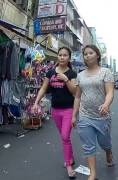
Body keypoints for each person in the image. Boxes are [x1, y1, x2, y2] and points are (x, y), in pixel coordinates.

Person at [33, 47, 77, 179]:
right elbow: (43, 88)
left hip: (68, 109)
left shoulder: (72, 73)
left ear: (69, 58)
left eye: (65, 55)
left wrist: (66, 79)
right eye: (60, 55)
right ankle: (70, 157)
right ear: (57, 56)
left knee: (64, 136)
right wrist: (36, 102)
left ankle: (69, 165)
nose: (62, 57)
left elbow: (75, 92)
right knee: (65, 138)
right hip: (55, 110)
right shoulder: (50, 72)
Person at [72, 45, 114, 180]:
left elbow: (110, 92)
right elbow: (78, 97)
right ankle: (93, 173)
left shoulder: (106, 72)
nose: (88, 55)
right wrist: (74, 115)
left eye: (91, 53)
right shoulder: (80, 75)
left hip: (102, 116)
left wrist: (106, 104)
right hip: (85, 116)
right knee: (88, 146)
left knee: (104, 142)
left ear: (97, 55)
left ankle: (108, 151)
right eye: (85, 54)